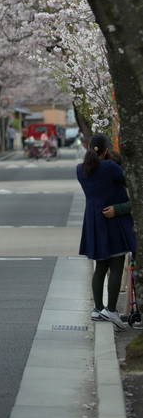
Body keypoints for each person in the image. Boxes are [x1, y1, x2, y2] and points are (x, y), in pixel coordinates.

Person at [77, 133, 136, 328]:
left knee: (100, 265)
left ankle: (98, 309)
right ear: (106, 150)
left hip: (93, 221)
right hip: (112, 220)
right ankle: (111, 310)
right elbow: (130, 181)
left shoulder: (81, 169)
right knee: (117, 264)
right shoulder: (110, 167)